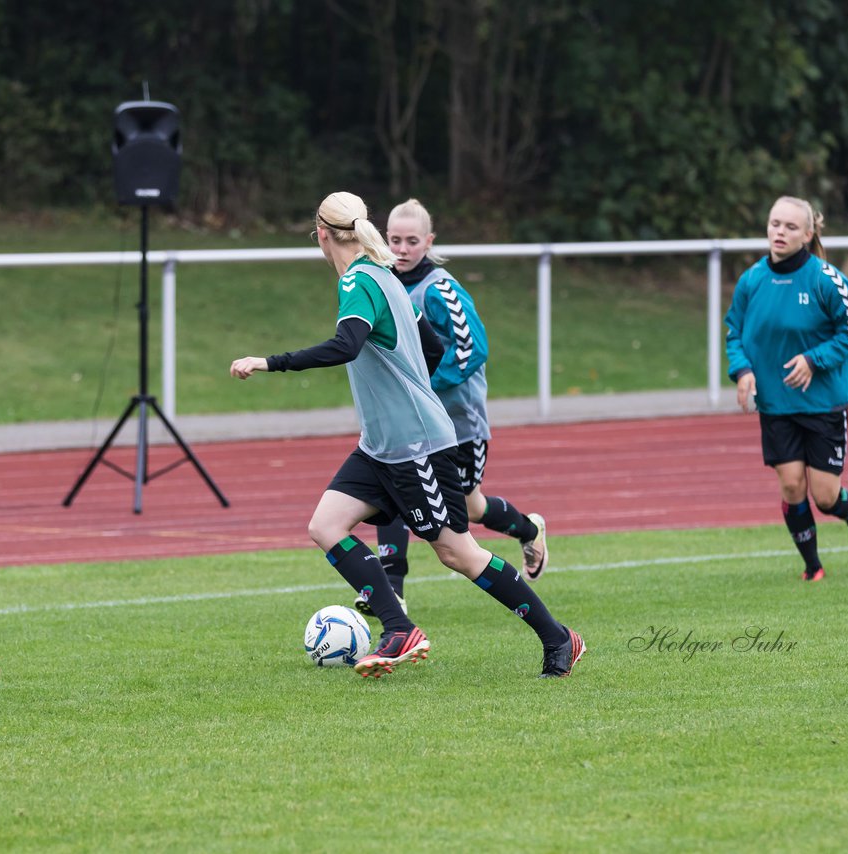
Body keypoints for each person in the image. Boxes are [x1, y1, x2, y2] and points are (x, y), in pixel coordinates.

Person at [229, 191, 584, 678]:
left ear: (321, 235)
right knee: (326, 526)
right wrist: (408, 387)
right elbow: (433, 347)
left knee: (458, 552)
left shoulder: (359, 279)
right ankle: (399, 627)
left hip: (417, 445)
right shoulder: (387, 276)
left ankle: (558, 637)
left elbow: (346, 345)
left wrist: (269, 362)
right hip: (381, 445)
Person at [364, 198, 548, 622]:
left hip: (459, 425)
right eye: (394, 240)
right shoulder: (386, 283)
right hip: (412, 426)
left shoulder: (440, 289)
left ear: (429, 242)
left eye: (412, 241)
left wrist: (423, 385)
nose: (402, 248)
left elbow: (471, 349)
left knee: (470, 509)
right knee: (392, 487)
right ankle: (393, 591)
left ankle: (529, 529)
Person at [724, 195, 848, 581]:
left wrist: (814, 359)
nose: (780, 232)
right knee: (792, 486)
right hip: (776, 405)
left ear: (808, 234)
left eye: (791, 227)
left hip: (823, 405)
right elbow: (734, 333)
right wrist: (742, 370)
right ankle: (813, 567)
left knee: (826, 497)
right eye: (775, 223)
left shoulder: (826, 280)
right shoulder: (751, 280)